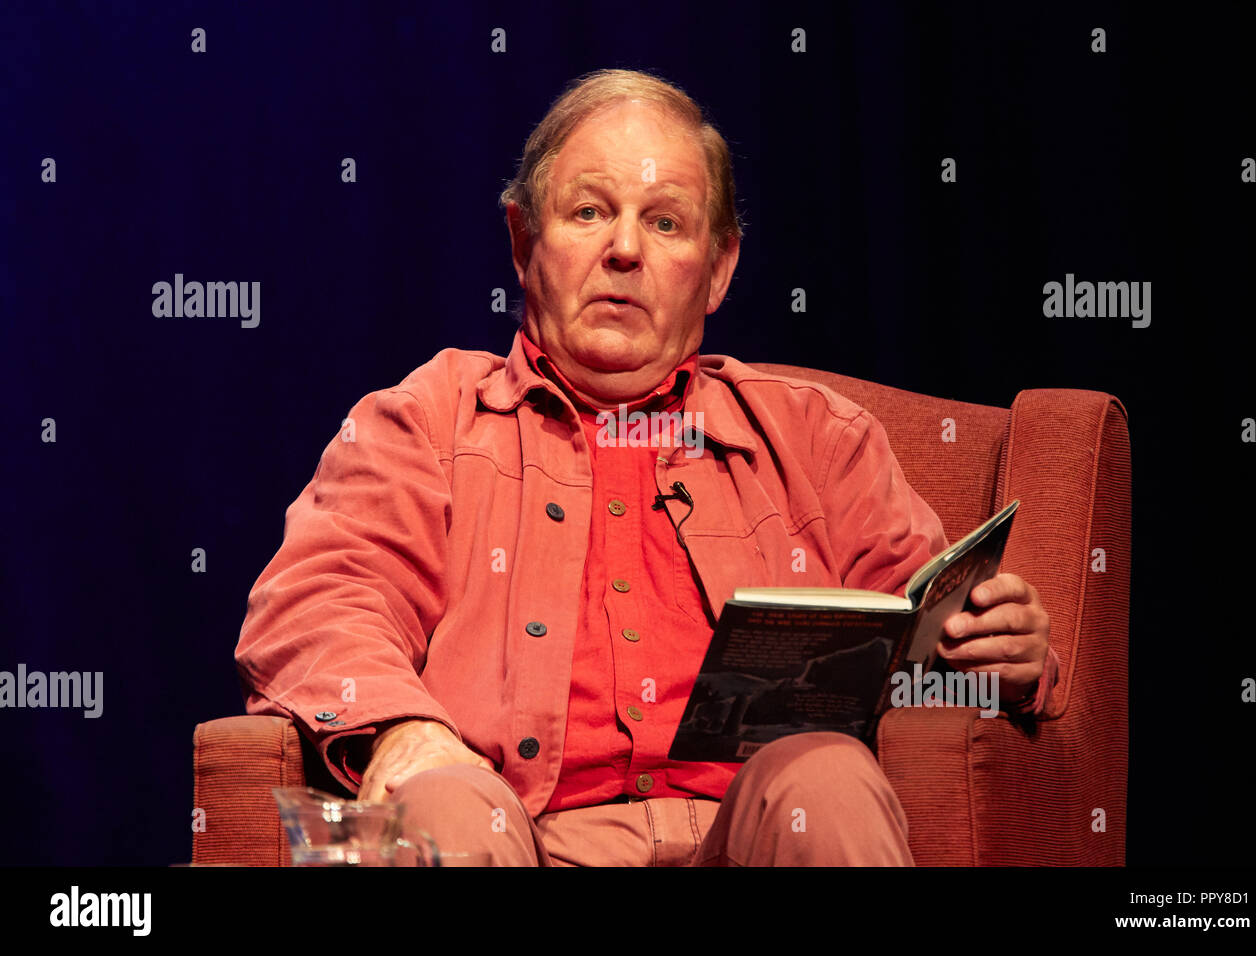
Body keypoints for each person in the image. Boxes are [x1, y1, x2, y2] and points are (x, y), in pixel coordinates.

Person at [235, 68, 1057, 866]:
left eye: (665, 223)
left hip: (752, 835)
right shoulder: (426, 419)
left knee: (829, 775)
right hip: (517, 831)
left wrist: (1002, 658)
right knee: (446, 807)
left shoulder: (819, 439)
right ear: (524, 243)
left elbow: (928, 628)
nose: (624, 248)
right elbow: (319, 600)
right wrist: (407, 730)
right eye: (589, 211)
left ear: (719, 269)